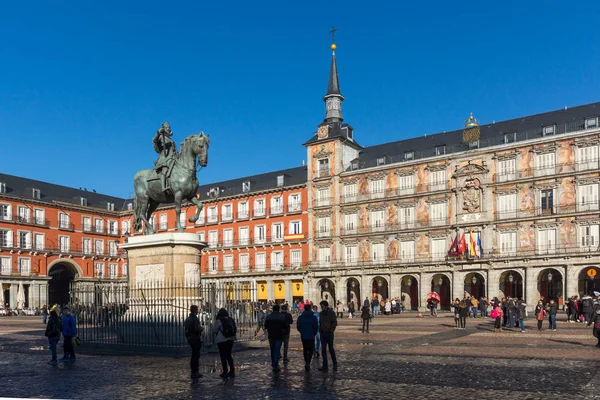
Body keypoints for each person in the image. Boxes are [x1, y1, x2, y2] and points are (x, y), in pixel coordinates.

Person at [212, 308, 236, 378]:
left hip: (222, 340)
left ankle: (225, 371)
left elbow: (214, 330)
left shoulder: (219, 321)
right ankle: (232, 370)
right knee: (229, 355)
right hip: (231, 339)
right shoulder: (231, 319)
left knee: (223, 356)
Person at [264, 304, 287, 372]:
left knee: (272, 349)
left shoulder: (268, 317)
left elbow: (265, 326)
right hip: (279, 335)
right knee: (277, 349)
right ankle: (275, 364)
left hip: (271, 335)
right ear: (278, 309)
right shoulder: (282, 317)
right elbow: (285, 326)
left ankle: (274, 363)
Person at [296, 304, 319, 370]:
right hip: (311, 335)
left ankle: (306, 361)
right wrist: (314, 333)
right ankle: (308, 362)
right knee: (311, 349)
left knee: (305, 349)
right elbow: (316, 327)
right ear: (310, 309)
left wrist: (302, 331)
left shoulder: (300, 317)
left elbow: (298, 327)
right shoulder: (313, 317)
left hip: (303, 335)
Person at [318, 300, 338, 372]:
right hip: (322, 333)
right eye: (321, 306)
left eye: (322, 306)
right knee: (323, 350)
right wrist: (320, 330)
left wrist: (331, 330)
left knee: (331, 349)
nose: (321, 308)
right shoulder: (321, 313)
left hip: (329, 334)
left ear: (326, 306)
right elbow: (320, 322)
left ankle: (334, 363)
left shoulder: (331, 313)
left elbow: (334, 323)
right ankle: (325, 365)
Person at [184, 305, 203, 378]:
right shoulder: (195, 319)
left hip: (190, 338)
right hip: (195, 338)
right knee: (196, 356)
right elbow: (196, 329)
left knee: (193, 355)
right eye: (197, 309)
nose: (198, 311)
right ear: (195, 310)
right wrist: (201, 329)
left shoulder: (188, 319)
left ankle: (193, 371)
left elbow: (186, 328)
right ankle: (195, 372)